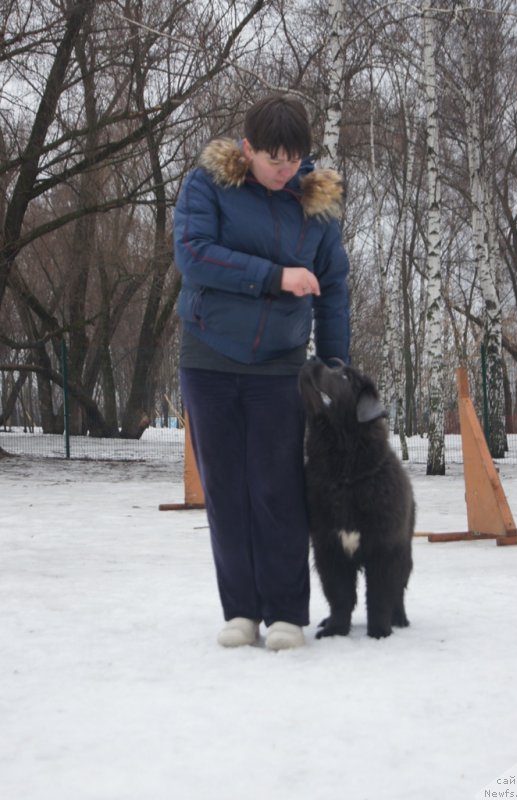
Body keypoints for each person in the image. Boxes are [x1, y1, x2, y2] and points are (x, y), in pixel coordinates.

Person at [173, 94, 350, 650]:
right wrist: (276, 277)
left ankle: (286, 615)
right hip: (208, 357)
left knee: (278, 489)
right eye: (273, 159)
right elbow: (194, 254)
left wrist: (335, 369)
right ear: (247, 149)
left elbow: (335, 290)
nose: (283, 171)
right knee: (226, 489)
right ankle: (242, 612)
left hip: (280, 366)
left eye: (293, 159)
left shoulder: (317, 206)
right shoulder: (207, 186)